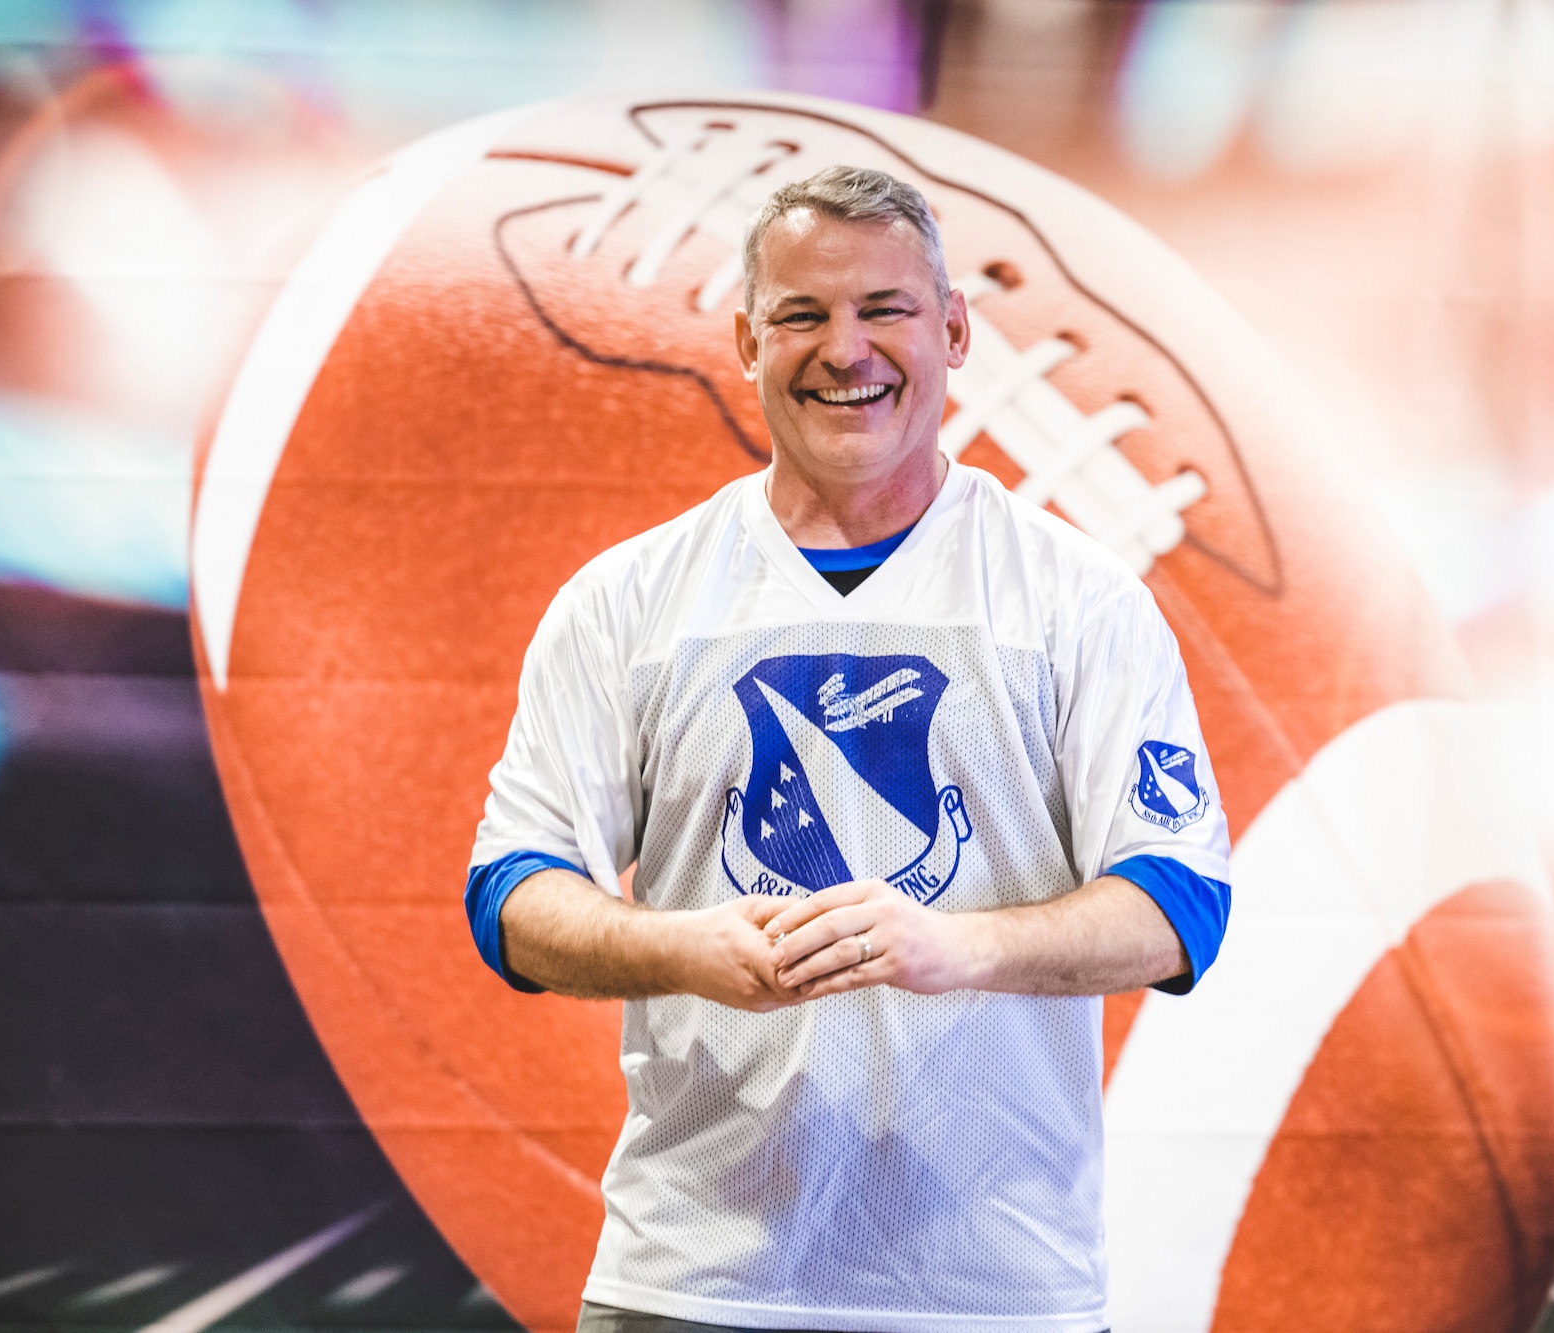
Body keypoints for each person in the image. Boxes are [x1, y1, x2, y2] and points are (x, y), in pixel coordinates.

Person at [464, 165, 1231, 1333]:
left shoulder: (1074, 599)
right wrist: (681, 948)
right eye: (801, 315)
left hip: (999, 1290)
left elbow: (1180, 903)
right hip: (693, 1279)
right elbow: (509, 894)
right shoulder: (628, 600)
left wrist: (952, 948)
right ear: (743, 338)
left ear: (955, 330)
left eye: (883, 310)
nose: (845, 350)